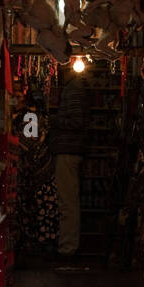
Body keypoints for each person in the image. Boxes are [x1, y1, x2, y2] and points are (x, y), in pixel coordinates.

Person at [49, 67, 91, 257]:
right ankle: (67, 244)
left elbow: (76, 122)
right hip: (70, 150)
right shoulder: (75, 88)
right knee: (68, 199)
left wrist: (53, 121)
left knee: (68, 201)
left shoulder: (73, 89)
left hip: (68, 150)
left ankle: (68, 246)